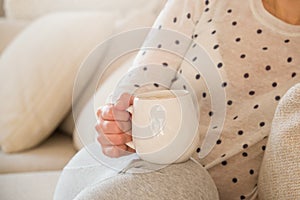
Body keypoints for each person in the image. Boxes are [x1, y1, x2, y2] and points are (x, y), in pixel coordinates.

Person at [95, 0, 300, 199]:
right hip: (144, 173)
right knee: (188, 179)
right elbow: (144, 78)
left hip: (222, 191)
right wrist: (119, 123)